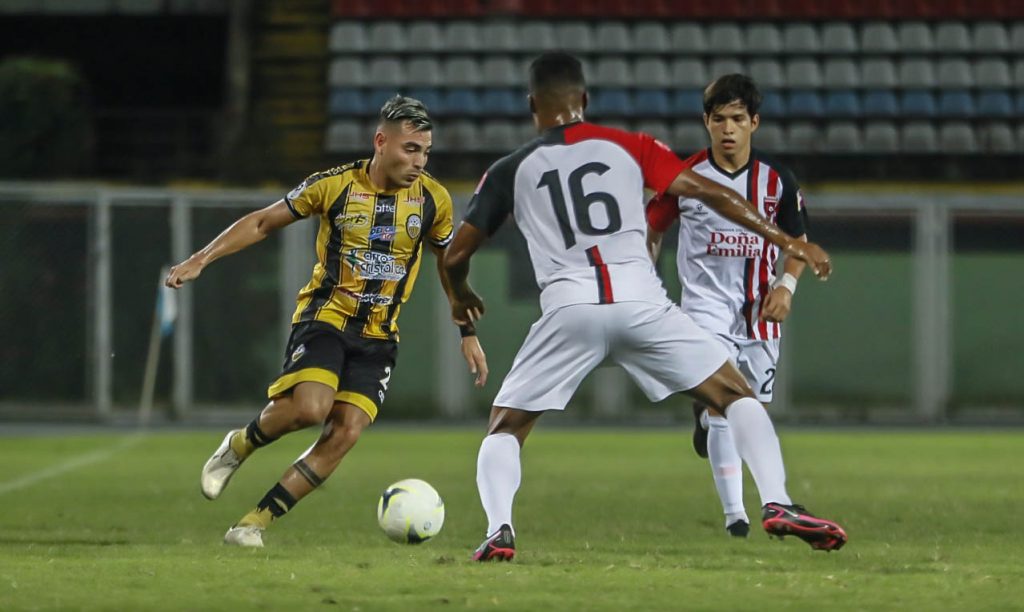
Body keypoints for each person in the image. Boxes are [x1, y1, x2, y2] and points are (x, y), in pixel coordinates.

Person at [443, 52, 847, 562]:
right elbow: (713, 193)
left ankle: (499, 529)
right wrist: (789, 239)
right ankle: (778, 501)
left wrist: (461, 299)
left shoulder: (509, 169)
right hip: (641, 302)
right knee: (735, 394)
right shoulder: (631, 147)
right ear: (584, 101)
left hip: (569, 310)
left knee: (506, 427)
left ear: (532, 105)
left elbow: (454, 255)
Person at [165, 95, 488, 548]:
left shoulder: (433, 201)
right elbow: (262, 223)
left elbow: (447, 261)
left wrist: (466, 330)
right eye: (410, 149)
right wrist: (202, 258)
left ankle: (253, 524)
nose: (419, 161)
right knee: (311, 409)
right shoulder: (334, 186)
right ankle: (241, 444)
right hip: (327, 317)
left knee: (345, 431)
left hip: (379, 336)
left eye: (426, 152)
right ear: (381, 142)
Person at [646, 74, 812, 539]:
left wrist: (787, 288)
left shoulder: (777, 181)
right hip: (704, 311)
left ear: (754, 123)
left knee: (750, 408)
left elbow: (799, 241)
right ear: (706, 122)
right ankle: (736, 518)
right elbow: (653, 227)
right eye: (718, 119)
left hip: (759, 314)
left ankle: (703, 421)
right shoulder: (685, 177)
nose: (728, 129)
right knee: (727, 404)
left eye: (738, 119)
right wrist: (646, 278)